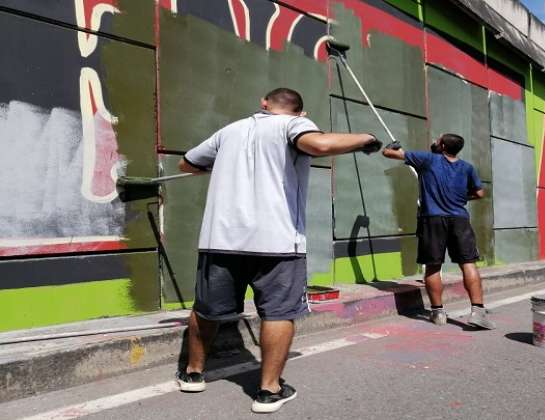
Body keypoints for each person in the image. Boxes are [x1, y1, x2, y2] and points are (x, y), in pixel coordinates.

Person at [175, 88, 381, 413]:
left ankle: (193, 373)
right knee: (279, 312)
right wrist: (367, 138)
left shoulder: (229, 131)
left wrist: (221, 166)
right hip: (278, 243)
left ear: (263, 104)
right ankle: (269, 391)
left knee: (207, 308)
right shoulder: (294, 126)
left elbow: (186, 164)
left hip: (221, 239)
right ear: (301, 113)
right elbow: (320, 144)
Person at [382, 134, 495, 330]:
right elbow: (479, 193)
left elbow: (387, 153)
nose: (434, 139)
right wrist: (461, 197)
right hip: (460, 219)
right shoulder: (467, 167)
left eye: (437, 139)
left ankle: (438, 312)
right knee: (468, 263)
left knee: (433, 266)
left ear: (442, 145)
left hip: (432, 219)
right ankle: (478, 311)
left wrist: (393, 147)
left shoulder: (427, 159)